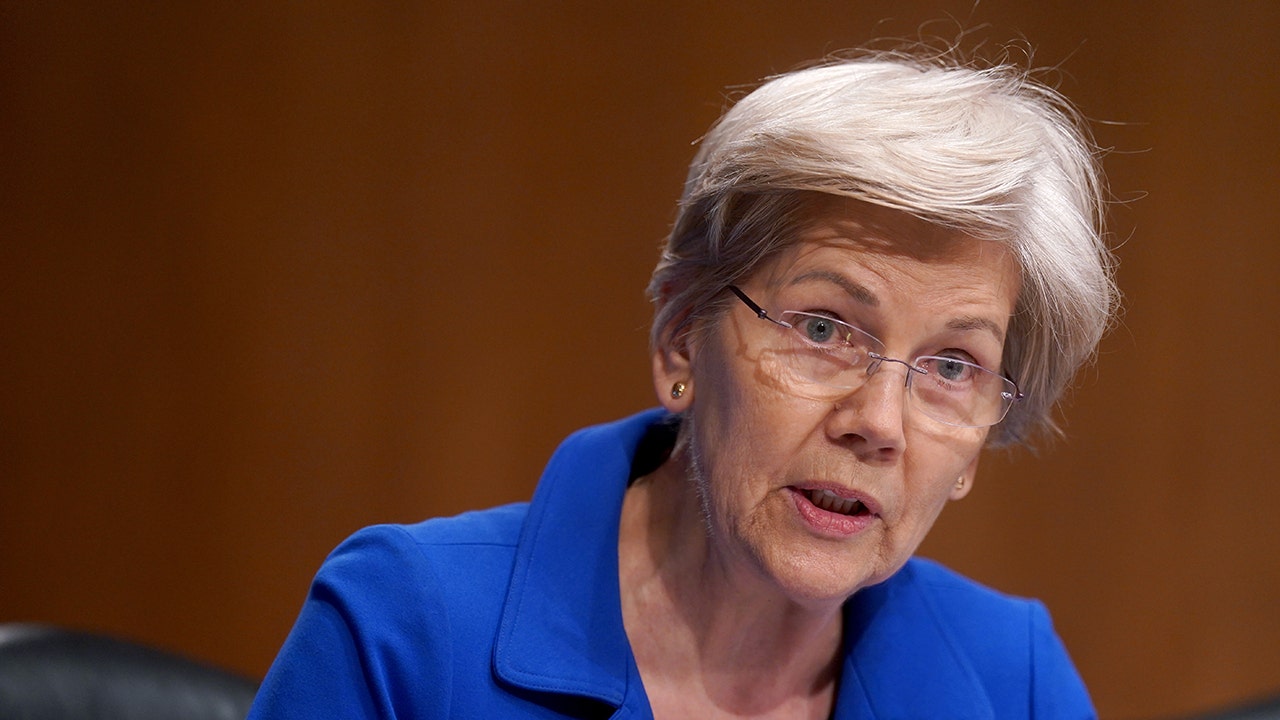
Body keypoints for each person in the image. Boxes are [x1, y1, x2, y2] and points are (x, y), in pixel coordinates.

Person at [248, 45, 1116, 719]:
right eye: (822, 329)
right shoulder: (407, 629)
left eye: (952, 366)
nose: (879, 421)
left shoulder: (1014, 681)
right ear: (680, 343)